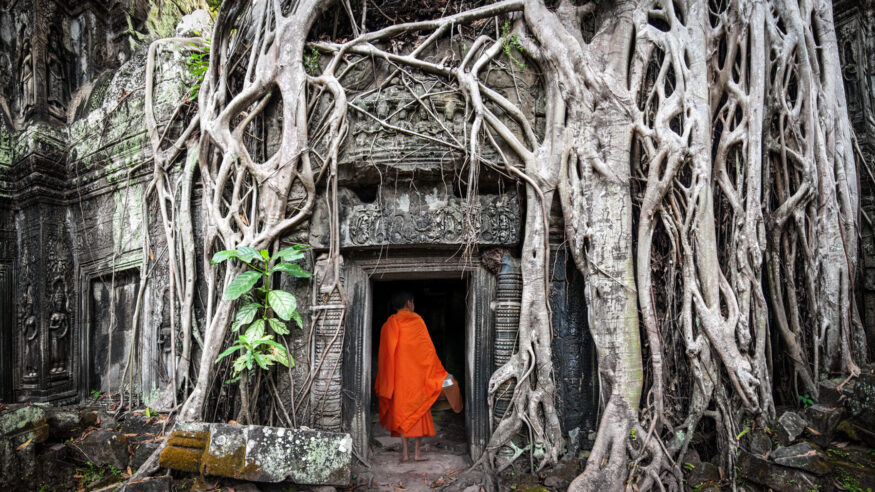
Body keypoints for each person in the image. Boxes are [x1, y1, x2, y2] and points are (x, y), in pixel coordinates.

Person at [375, 290, 462, 462]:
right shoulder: (416, 321)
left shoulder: (388, 325)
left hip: (398, 381)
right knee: (419, 412)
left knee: (401, 414)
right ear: (409, 303)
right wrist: (438, 373)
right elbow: (427, 352)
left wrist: (387, 381)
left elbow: (384, 357)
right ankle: (416, 454)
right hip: (417, 380)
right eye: (413, 303)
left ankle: (405, 455)